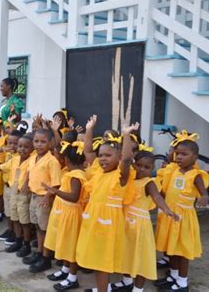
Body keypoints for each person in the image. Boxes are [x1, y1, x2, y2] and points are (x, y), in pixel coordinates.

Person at [76, 116, 139, 292]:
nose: (103, 159)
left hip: (108, 224)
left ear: (118, 157)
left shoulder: (120, 175)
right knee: (97, 260)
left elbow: (127, 159)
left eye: (108, 156)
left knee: (102, 261)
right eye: (101, 155)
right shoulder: (98, 172)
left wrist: (126, 135)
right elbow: (88, 152)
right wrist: (89, 129)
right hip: (93, 220)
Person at [111, 150, 178, 292]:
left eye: (146, 167)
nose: (142, 169)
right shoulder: (129, 179)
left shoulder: (149, 183)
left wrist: (166, 209)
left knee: (140, 258)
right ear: (133, 164)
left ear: (152, 168)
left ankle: (138, 289)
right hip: (126, 223)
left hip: (140, 226)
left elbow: (157, 197)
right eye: (139, 165)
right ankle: (127, 281)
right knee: (126, 254)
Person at [154, 132, 209, 292]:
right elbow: (165, 191)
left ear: (195, 157)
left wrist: (204, 198)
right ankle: (173, 275)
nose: (179, 157)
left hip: (183, 218)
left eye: (184, 154)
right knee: (170, 248)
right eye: (177, 153)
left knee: (182, 251)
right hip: (170, 215)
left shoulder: (196, 175)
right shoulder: (174, 171)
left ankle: (182, 283)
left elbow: (204, 193)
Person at [44, 141, 87, 291]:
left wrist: (55, 191)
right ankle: (65, 270)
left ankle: (72, 278)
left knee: (71, 247)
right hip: (66, 213)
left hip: (72, 214)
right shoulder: (73, 173)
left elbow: (74, 197)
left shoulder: (76, 176)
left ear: (66, 160)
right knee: (65, 244)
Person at [22, 128, 62, 273]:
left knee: (44, 228)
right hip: (34, 196)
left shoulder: (52, 161)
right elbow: (30, 173)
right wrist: (27, 184)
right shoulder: (33, 157)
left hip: (44, 198)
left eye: (43, 142)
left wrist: (47, 197)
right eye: (36, 141)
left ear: (50, 143)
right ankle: (39, 253)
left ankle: (46, 258)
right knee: (38, 227)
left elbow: (56, 183)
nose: (39, 144)